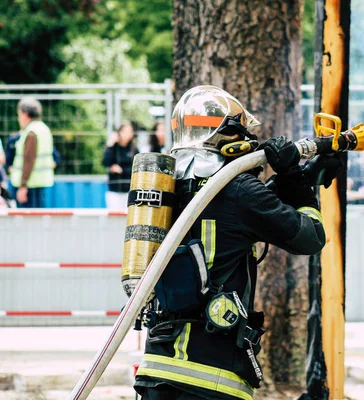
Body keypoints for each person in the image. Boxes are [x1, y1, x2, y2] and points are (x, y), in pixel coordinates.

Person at [133, 86, 330, 400]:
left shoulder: (167, 190)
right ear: (227, 139)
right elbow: (311, 237)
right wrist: (294, 177)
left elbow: (245, 215)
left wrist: (302, 175)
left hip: (157, 370)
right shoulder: (239, 191)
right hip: (212, 377)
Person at [9, 97, 55, 208]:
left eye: (19, 114)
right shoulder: (44, 129)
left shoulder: (31, 132)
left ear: (25, 114)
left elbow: (28, 160)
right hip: (40, 183)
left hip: (29, 187)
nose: (18, 118)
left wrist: (23, 186)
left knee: (27, 222)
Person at [102, 121, 138, 209]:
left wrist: (122, 170)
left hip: (129, 189)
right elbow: (105, 162)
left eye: (130, 131)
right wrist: (109, 144)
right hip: (114, 189)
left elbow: (136, 168)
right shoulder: (114, 148)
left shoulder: (134, 149)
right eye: (125, 131)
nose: (128, 134)